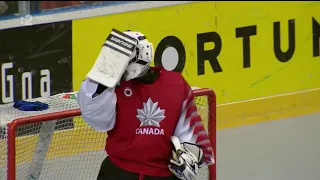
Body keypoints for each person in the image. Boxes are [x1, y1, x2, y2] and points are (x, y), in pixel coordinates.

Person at [77, 30, 215, 180]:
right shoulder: (114, 87)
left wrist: (190, 157)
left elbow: (192, 135)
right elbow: (99, 122)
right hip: (118, 172)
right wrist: (101, 80)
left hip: (163, 175)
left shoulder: (176, 84)